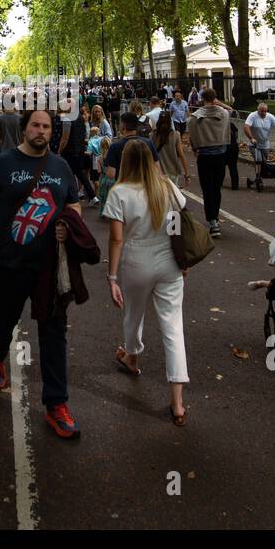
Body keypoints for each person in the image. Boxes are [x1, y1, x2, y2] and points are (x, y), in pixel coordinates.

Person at [0, 109, 86, 438]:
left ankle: (56, 404)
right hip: (10, 264)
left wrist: (68, 225)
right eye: (35, 125)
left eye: (46, 126)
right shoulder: (1, 165)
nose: (41, 131)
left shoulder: (60, 166)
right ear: (25, 129)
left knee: (54, 334)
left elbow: (73, 204)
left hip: (49, 268)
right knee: (4, 321)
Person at [103, 141, 189, 426]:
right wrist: (181, 260)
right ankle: (177, 401)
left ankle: (133, 356)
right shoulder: (166, 187)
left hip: (136, 259)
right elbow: (178, 222)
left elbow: (116, 239)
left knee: (133, 314)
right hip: (168, 261)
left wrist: (112, 276)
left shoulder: (120, 192)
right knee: (173, 327)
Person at [188, 88, 230, 238]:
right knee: (216, 188)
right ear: (215, 98)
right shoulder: (224, 114)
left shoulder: (194, 117)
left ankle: (212, 221)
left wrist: (195, 147)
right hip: (220, 155)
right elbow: (231, 110)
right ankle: (215, 216)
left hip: (204, 156)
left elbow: (192, 135)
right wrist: (219, 103)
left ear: (202, 99)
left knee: (207, 189)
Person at [244, 103, 275, 170]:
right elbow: (246, 127)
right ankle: (258, 176)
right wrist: (251, 138)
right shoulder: (252, 116)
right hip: (254, 143)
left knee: (264, 161)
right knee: (258, 160)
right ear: (258, 110)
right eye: (262, 111)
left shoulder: (270, 116)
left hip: (265, 143)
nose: (264, 113)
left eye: (265, 111)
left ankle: (262, 175)